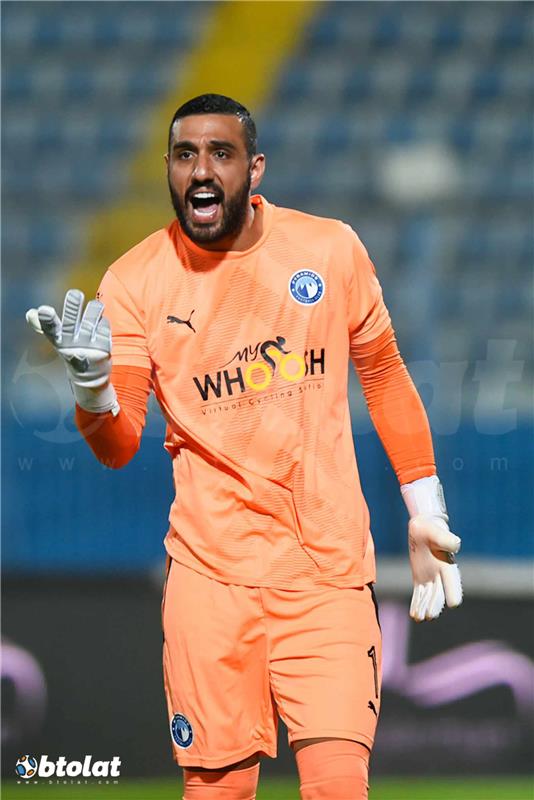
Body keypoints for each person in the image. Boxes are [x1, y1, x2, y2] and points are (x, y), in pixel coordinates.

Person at [27, 93, 463, 800]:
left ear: (254, 169)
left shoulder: (329, 249)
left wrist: (425, 506)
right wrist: (93, 392)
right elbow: (118, 443)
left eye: (220, 153)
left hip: (324, 572)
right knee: (218, 791)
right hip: (209, 580)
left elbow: (383, 373)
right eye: (185, 154)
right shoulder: (134, 281)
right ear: (169, 169)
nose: (201, 169)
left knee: (337, 786)